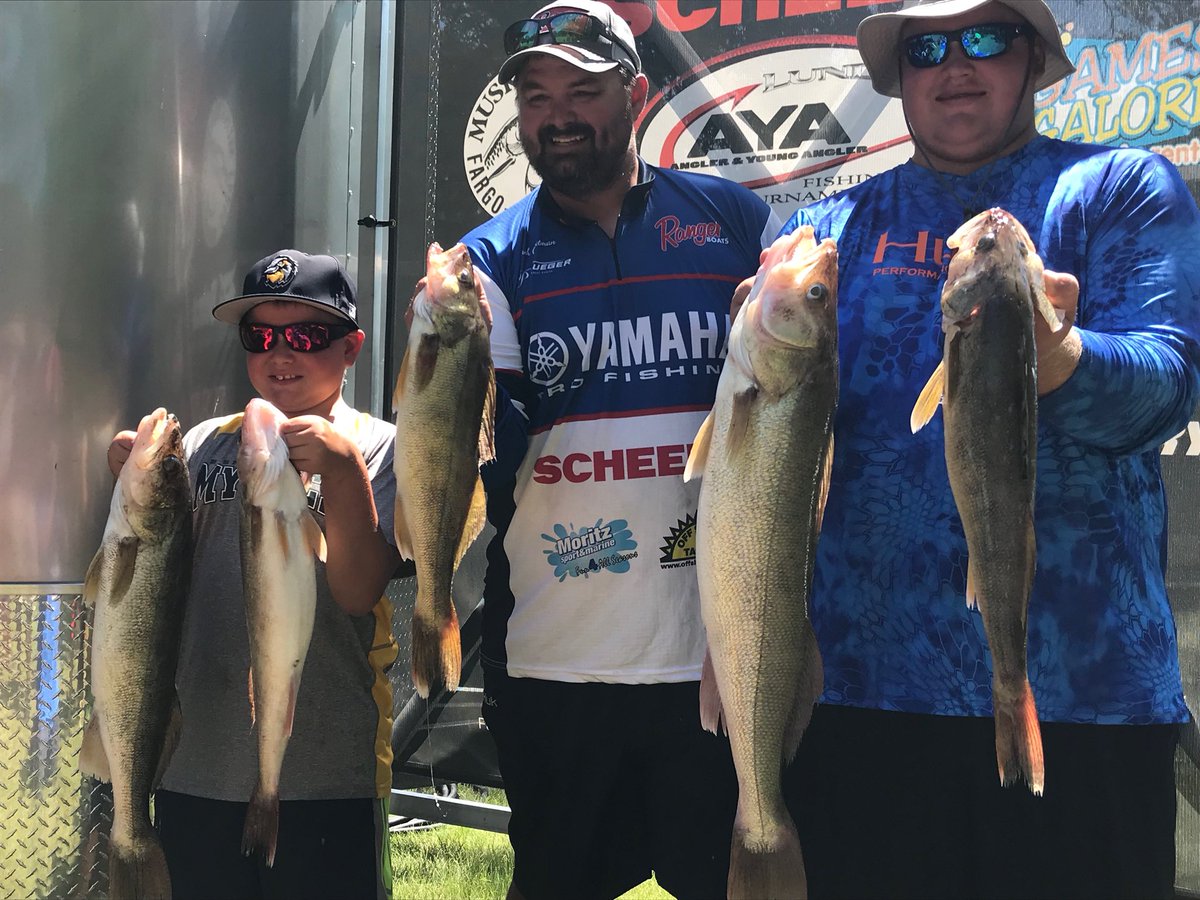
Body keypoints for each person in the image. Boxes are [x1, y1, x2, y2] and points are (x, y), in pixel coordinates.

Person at [767, 1, 1200, 898]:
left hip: (1085, 696)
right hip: (859, 697)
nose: (954, 64)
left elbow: (1169, 386)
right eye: (926, 47)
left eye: (986, 38)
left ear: (1034, 57)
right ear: (898, 78)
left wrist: (1063, 358)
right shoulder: (821, 236)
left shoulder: (1119, 187)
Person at [443, 2, 781, 897]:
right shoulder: (487, 260)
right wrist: (451, 365)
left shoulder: (736, 223)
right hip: (556, 663)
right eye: (536, 94)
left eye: (582, 91)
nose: (555, 113)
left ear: (634, 94)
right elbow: (492, 454)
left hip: (715, 658)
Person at [107, 250, 402, 900]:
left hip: (327, 774)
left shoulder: (378, 446)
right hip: (194, 768)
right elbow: (151, 575)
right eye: (259, 337)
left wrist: (345, 473)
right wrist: (130, 472)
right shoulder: (205, 442)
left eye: (305, 336)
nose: (280, 353)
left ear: (351, 348)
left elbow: (358, 590)